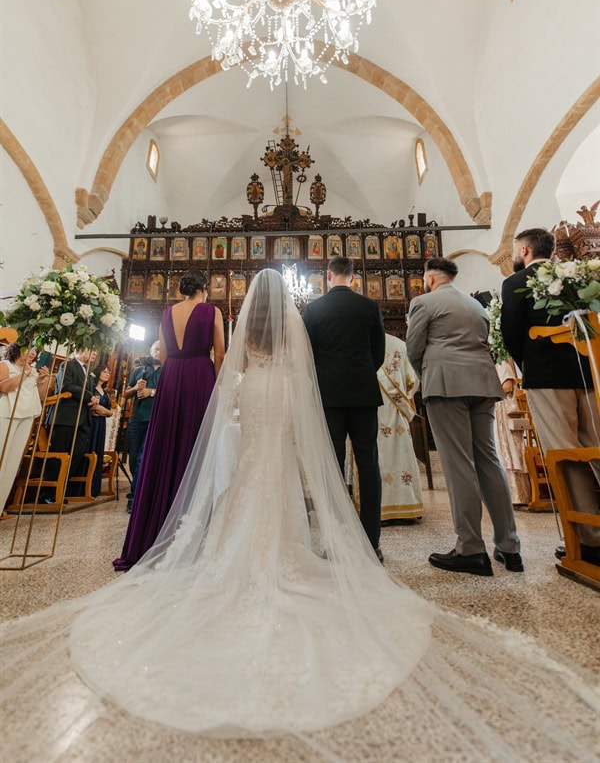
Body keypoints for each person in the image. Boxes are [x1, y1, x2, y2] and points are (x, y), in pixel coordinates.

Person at [1, 273, 597, 759]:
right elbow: (315, 370)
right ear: (285, 303)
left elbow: (229, 378)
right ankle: (337, 540)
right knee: (290, 471)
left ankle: (236, 550)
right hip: (295, 395)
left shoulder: (245, 328)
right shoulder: (311, 322)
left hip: (254, 394)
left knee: (249, 476)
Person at [406, 257, 522, 576]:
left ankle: (470, 548)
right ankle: (510, 547)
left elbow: (414, 349)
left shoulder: (424, 302)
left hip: (446, 385)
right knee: (488, 459)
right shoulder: (476, 306)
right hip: (483, 383)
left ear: (430, 278)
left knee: (458, 464)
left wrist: (429, 377)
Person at [500, 227, 600, 564]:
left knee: (566, 454)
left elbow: (511, 335)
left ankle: (588, 539)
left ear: (525, 251)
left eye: (516, 249)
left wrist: (528, 364)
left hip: (546, 377)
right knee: (596, 446)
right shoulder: (575, 276)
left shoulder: (516, 284)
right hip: (589, 373)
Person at [113, 270, 224, 571]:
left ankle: (157, 522)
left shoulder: (166, 312)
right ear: (204, 288)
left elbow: (162, 353)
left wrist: (175, 371)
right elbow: (221, 355)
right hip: (200, 375)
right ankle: (193, 523)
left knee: (165, 445)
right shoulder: (211, 311)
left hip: (172, 376)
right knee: (195, 446)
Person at [303, 255, 385, 559]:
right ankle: (371, 541)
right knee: (368, 464)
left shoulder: (313, 309)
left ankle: (335, 541)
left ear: (328, 276)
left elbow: (307, 355)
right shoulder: (369, 306)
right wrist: (361, 374)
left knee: (332, 468)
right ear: (353, 277)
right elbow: (378, 353)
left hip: (329, 397)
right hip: (363, 394)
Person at [374, 332, 423, 523]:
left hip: (370, 408)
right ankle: (407, 507)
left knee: (375, 456)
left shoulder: (361, 339)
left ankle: (378, 508)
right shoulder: (400, 345)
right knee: (401, 453)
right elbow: (413, 382)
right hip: (396, 411)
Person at [0, 345, 49, 514]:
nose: (34, 353)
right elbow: (4, 388)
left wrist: (43, 380)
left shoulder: (33, 371)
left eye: (36, 350)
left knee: (12, 463)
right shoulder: (5, 365)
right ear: (17, 350)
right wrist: (25, 374)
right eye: (30, 348)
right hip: (7, 414)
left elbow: (41, 396)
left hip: (27, 416)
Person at [48, 349, 99, 500]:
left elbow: (88, 391)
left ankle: (62, 488)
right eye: (92, 350)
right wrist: (90, 396)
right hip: (66, 417)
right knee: (59, 455)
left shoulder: (88, 371)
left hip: (83, 419)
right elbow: (65, 386)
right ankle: (49, 492)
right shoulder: (68, 365)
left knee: (77, 454)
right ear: (80, 350)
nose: (95, 354)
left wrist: (93, 399)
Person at [123, 340, 162, 513]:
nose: (158, 352)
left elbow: (171, 392)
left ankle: (134, 497)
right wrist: (136, 389)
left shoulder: (167, 371)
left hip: (155, 418)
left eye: (162, 349)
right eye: (156, 349)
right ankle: (136, 487)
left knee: (142, 457)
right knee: (133, 458)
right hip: (136, 419)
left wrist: (151, 392)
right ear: (150, 351)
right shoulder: (139, 370)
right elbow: (126, 393)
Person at [493, 358, 531, 505]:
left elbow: (508, 387)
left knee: (509, 452)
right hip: (495, 411)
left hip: (503, 410)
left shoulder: (501, 363)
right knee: (498, 452)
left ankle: (518, 496)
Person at [87, 364, 113, 497]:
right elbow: (94, 408)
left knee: (98, 451)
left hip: (101, 425)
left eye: (109, 372)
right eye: (105, 371)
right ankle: (84, 487)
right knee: (90, 450)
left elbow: (109, 412)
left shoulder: (105, 392)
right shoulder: (91, 388)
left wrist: (106, 412)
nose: (107, 374)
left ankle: (94, 488)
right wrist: (106, 412)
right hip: (91, 424)